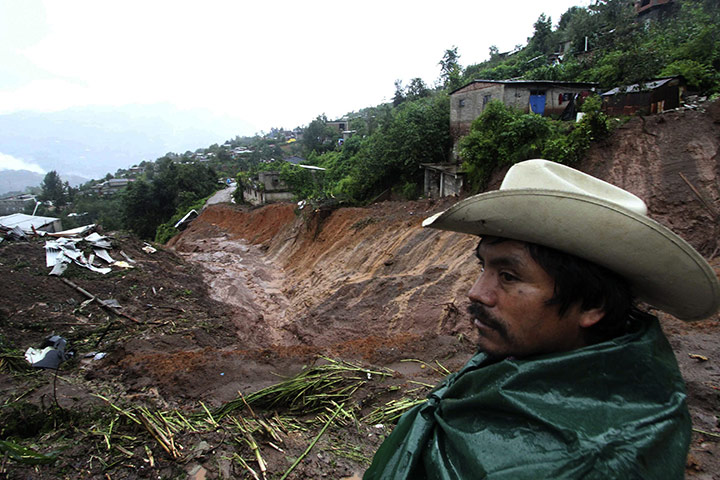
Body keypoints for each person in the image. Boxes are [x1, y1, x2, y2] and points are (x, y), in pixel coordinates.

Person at [364, 159, 720, 479]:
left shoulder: (589, 464)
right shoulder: (529, 359)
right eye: (483, 266)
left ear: (591, 305)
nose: (476, 293)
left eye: (508, 276)